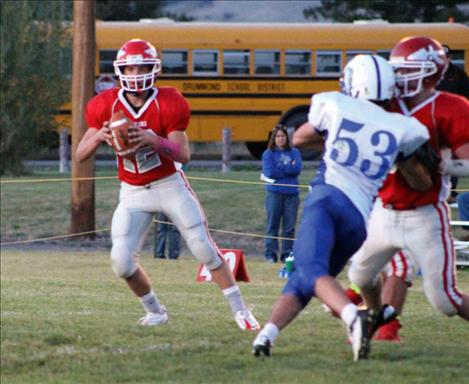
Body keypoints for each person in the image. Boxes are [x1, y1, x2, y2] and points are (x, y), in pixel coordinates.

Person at [252, 54, 433, 362]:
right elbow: (421, 182)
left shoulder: (335, 104)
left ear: (354, 84)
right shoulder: (403, 126)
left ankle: (355, 316)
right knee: (307, 279)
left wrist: (335, 136)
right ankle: (266, 335)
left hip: (327, 199)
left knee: (309, 270)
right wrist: (398, 155)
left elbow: (299, 137)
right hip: (359, 220)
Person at [76, 39, 259, 331]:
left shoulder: (169, 100)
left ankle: (241, 310)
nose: (136, 73)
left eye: (142, 67)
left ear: (154, 69)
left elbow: (184, 154)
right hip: (133, 192)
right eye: (130, 67)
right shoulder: (105, 105)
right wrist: (100, 136)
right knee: (121, 261)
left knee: (202, 247)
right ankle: (156, 311)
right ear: (120, 70)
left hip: (168, 184)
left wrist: (154, 140)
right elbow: (79, 155)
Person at [348, 37, 469, 343]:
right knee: (359, 276)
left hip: (425, 215)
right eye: (397, 71)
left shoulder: (451, 107)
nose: (400, 78)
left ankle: (381, 325)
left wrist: (445, 165)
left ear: (432, 72)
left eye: (408, 71)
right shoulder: (385, 102)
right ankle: (379, 324)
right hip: (382, 210)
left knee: (445, 300)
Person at [261, 125, 302, 264]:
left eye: (283, 136)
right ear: (274, 138)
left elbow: (297, 169)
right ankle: (270, 255)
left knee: (289, 228)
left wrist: (281, 168)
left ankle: (287, 255)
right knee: (273, 225)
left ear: (287, 137)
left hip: (292, 194)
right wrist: (288, 168)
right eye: (278, 136)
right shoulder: (268, 154)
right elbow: (270, 172)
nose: (280, 138)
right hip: (274, 193)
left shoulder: (294, 152)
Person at [436, 44, 469, 205]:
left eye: (445, 57)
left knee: (454, 154)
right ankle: (440, 188)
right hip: (436, 120)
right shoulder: (433, 75)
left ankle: (451, 190)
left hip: (453, 120)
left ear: (449, 58)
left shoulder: (457, 74)